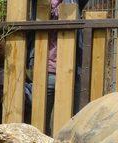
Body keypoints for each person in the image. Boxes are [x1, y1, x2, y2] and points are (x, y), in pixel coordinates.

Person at [25, 0, 89, 133]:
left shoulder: (73, 1)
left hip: (71, 71)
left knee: (70, 124)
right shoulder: (38, 3)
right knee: (39, 123)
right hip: (44, 71)